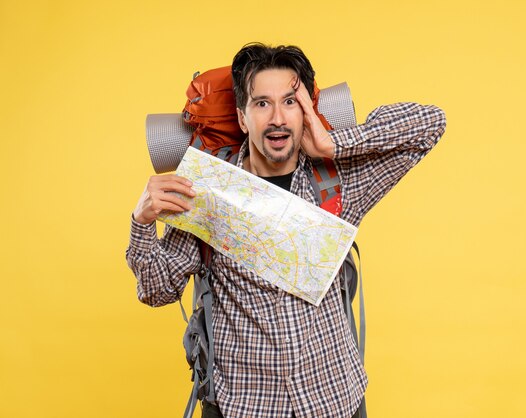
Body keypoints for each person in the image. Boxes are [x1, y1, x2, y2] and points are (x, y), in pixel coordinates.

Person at [127, 43, 446, 418]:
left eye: (290, 102)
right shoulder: (208, 190)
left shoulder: (338, 184)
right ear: (243, 118)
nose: (277, 117)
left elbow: (430, 123)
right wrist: (142, 223)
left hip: (334, 402)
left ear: (306, 111)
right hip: (243, 408)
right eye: (262, 103)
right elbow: (156, 291)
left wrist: (335, 143)